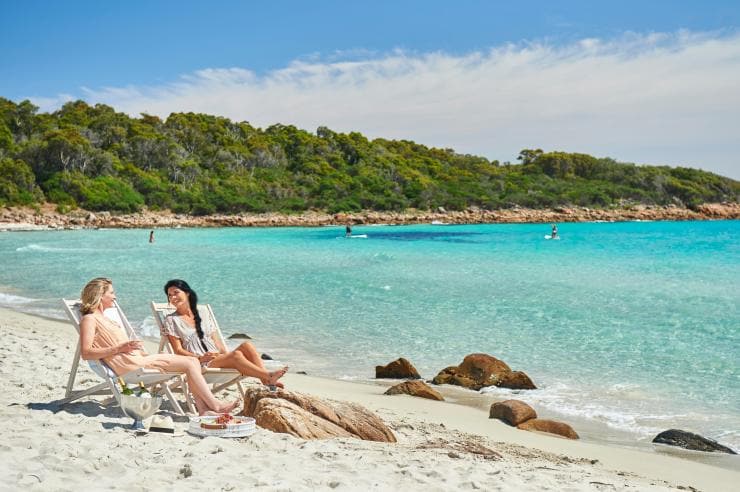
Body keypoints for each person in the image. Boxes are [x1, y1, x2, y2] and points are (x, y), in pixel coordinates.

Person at [79, 277, 239, 415]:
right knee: (191, 362)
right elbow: (86, 353)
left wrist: (136, 349)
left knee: (192, 362)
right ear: (100, 295)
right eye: (112, 293)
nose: (115, 296)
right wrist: (119, 349)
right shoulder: (90, 319)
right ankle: (215, 405)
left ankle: (204, 410)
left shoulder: (107, 319)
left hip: (139, 359)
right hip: (130, 366)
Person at [162, 279, 288, 389]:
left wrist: (225, 355)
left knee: (247, 345)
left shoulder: (203, 313)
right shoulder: (171, 320)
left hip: (216, 357)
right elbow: (178, 350)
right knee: (237, 355)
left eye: (176, 293)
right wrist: (200, 358)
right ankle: (268, 376)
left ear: (187, 293)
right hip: (199, 362)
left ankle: (266, 381)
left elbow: (217, 342)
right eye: (169, 295)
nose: (173, 297)